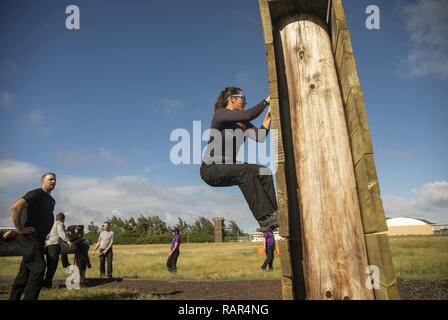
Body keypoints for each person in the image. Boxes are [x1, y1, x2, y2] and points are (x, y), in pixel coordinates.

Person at [200, 87, 279, 231]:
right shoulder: (220, 114)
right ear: (231, 99)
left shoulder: (242, 123)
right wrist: (266, 101)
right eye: (243, 98)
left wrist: (270, 115)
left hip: (228, 167)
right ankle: (265, 218)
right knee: (244, 171)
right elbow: (249, 115)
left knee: (264, 171)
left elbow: (260, 137)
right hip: (211, 168)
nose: (246, 102)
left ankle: (275, 214)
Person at [9, 172, 57, 300]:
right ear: (43, 181)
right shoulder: (36, 193)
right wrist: (19, 229)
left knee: (25, 270)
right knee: (38, 268)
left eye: (55, 180)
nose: (53, 181)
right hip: (30, 237)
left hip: (39, 238)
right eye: (50, 179)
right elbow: (15, 207)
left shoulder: (51, 200)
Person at [43, 212, 72, 288]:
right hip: (54, 246)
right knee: (52, 266)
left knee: (49, 265)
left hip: (49, 245)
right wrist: (68, 241)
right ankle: (47, 284)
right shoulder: (60, 223)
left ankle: (46, 283)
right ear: (63, 218)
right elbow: (61, 233)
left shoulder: (53, 224)